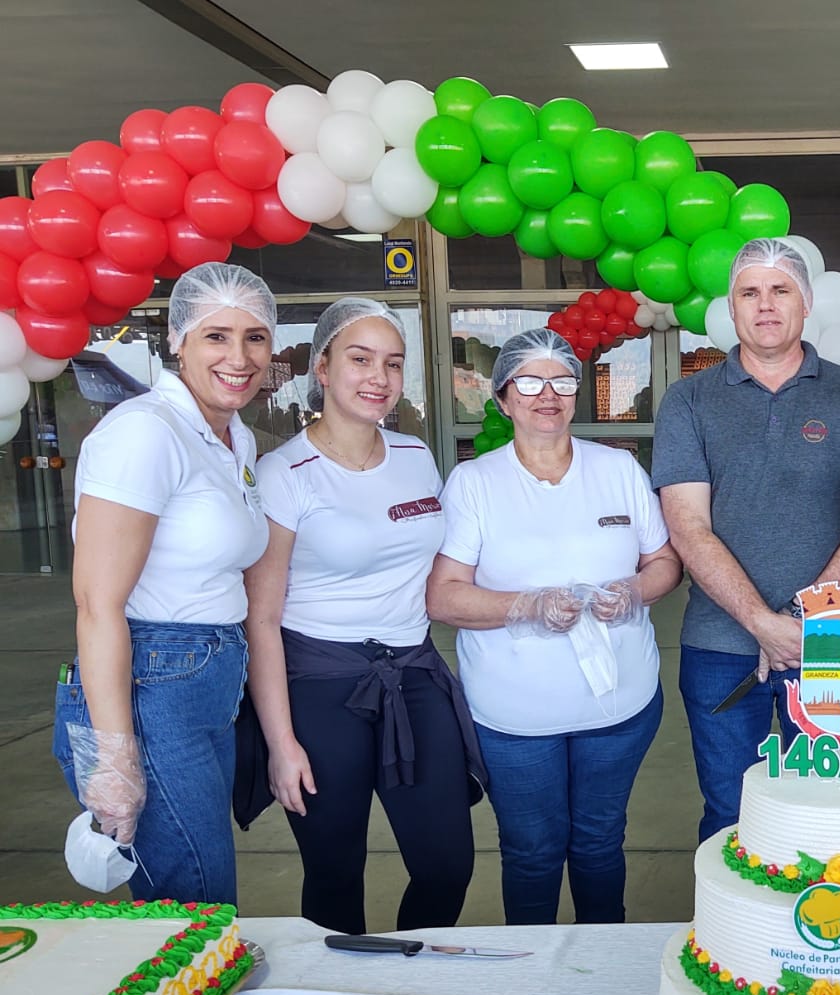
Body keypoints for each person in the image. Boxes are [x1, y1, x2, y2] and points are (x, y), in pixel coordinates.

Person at [427, 328, 680, 924]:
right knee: (533, 853)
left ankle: (601, 971)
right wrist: (525, 606)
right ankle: (533, 982)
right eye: (530, 381)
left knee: (598, 843)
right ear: (503, 398)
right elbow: (443, 597)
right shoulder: (475, 483)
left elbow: (664, 561)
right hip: (515, 719)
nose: (549, 394)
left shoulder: (618, 469)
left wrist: (636, 590)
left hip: (619, 709)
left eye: (562, 380)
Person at [244, 298, 480, 935]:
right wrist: (281, 742)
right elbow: (261, 620)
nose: (379, 376)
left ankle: (412, 978)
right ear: (322, 367)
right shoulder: (284, 473)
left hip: (414, 674)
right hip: (320, 686)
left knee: (447, 865)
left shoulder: (414, 456)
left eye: (393, 363)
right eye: (360, 359)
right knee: (334, 870)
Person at [654, 238, 840, 841]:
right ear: (731, 310)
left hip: (837, 642)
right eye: (749, 293)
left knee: (834, 813)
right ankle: (739, 938)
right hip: (719, 646)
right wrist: (762, 623)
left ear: (806, 302)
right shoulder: (689, 400)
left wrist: (799, 619)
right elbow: (688, 527)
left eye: (780, 290)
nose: (765, 305)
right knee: (732, 817)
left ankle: (828, 933)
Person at [52, 262, 276, 904]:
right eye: (216, 336)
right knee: (195, 903)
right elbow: (97, 604)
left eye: (255, 337)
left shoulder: (232, 439)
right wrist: (114, 753)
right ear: (177, 339)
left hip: (202, 684)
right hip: (149, 684)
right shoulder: (145, 432)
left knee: (196, 895)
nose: (239, 356)